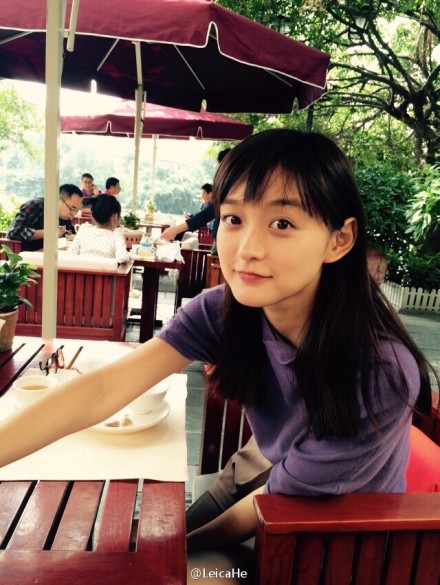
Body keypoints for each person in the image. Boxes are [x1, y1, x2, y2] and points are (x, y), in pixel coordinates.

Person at [0, 130, 437, 555]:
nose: (247, 248)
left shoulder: (380, 372)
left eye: (282, 223)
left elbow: (278, 502)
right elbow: (104, 388)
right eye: (233, 219)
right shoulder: (224, 310)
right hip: (275, 483)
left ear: (339, 240)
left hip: (338, 548)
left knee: (182, 567)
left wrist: (174, 554)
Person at [161, 150, 231, 243]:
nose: (219, 173)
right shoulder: (227, 190)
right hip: (219, 239)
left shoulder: (230, 192)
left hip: (226, 241)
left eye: (221, 169)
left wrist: (176, 230)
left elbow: (205, 215)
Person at [6, 184, 83, 252]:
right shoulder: (36, 205)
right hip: (23, 258)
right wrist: (50, 232)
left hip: (47, 257)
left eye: (77, 211)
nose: (73, 214)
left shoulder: (64, 216)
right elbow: (15, 232)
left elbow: (70, 234)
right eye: (72, 208)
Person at [68, 194, 130, 263]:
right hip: (106, 270)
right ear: (115, 217)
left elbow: (70, 254)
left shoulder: (84, 230)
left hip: (82, 269)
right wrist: (129, 256)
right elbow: (122, 258)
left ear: (93, 215)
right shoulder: (116, 235)